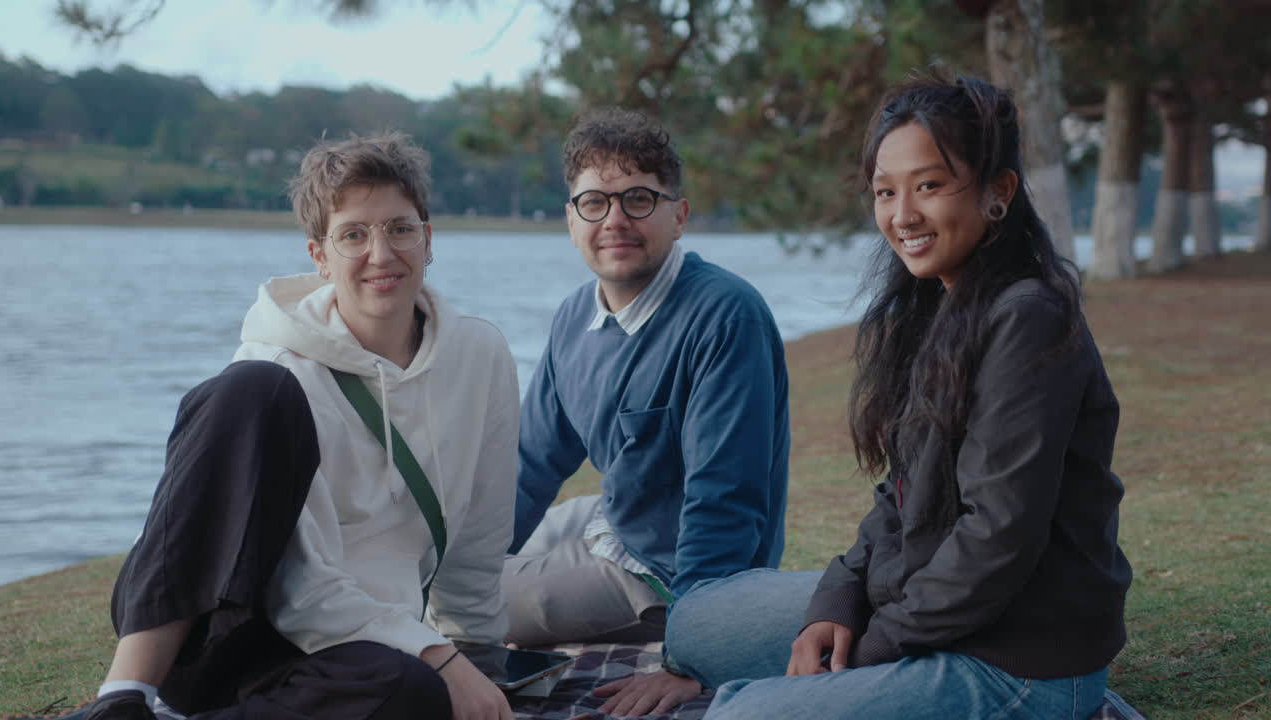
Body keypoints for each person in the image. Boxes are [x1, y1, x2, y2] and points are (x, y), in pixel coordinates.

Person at [665, 71, 1134, 719]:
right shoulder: (935, 307)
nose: (902, 215)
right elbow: (902, 494)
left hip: (1020, 658)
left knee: (738, 714)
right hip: (926, 603)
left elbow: (998, 537)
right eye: (886, 191)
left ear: (998, 192)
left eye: (931, 186)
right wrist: (837, 605)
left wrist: (871, 647)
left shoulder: (1027, 317)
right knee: (695, 626)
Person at [78, 133, 519, 720]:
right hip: (227, 627)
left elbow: (479, 538)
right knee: (248, 389)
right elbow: (299, 584)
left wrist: (474, 655)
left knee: (409, 691)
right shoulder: (282, 369)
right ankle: (125, 697)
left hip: (351, 650)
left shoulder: (481, 354)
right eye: (354, 235)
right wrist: (437, 655)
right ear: (320, 256)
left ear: (428, 237)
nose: (382, 254)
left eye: (400, 228)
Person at [505, 107, 791, 715]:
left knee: (468, 604)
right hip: (613, 519)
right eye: (594, 202)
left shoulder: (724, 315)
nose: (614, 220)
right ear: (570, 218)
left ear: (678, 215)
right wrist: (463, 566)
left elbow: (726, 499)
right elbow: (530, 466)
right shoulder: (573, 317)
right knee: (453, 577)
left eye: (638, 199)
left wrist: (696, 656)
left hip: (664, 568)